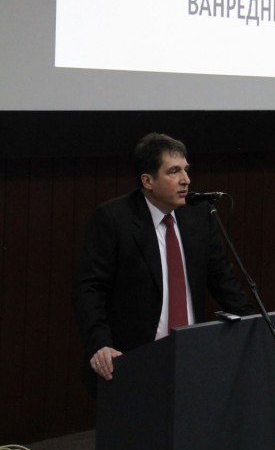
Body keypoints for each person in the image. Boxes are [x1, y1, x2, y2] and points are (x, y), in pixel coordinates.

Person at [73, 132, 252, 395]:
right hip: (133, 357)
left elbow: (223, 279)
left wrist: (255, 325)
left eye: (186, 170)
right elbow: (89, 288)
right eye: (173, 171)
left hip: (192, 355)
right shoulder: (114, 219)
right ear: (148, 181)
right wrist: (100, 344)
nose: (186, 179)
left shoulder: (199, 215)